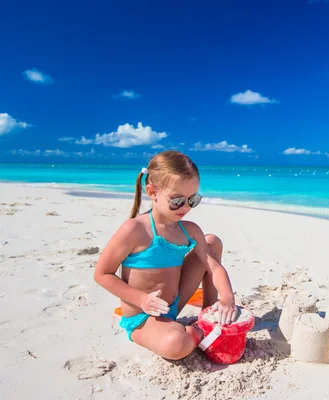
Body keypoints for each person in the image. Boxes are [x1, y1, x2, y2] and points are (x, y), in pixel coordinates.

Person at [94, 150, 236, 360]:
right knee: (176, 345)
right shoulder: (135, 230)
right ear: (152, 192)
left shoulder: (189, 229)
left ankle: (207, 315)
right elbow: (102, 274)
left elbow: (213, 267)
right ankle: (197, 332)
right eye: (177, 201)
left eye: (192, 199)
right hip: (143, 316)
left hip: (174, 303)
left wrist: (227, 298)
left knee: (211, 242)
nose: (186, 207)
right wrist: (142, 300)